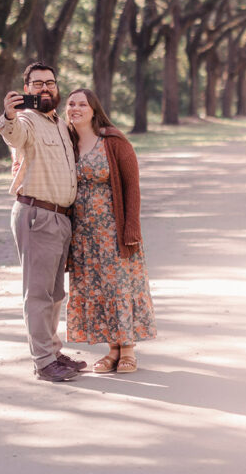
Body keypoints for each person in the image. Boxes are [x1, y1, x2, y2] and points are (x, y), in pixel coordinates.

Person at [0, 62, 87, 382]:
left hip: (61, 219)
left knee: (55, 293)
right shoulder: (27, 120)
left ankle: (52, 350)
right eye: (37, 84)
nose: (45, 88)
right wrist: (8, 116)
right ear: (27, 90)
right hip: (37, 215)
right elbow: (13, 134)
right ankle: (43, 361)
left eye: (50, 83)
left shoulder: (61, 125)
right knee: (38, 293)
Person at [65, 88, 156, 373]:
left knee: (119, 287)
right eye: (71, 104)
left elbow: (132, 187)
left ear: (94, 110)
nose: (75, 108)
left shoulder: (113, 141)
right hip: (83, 235)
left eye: (82, 104)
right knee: (97, 289)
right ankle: (111, 351)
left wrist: (131, 229)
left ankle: (128, 349)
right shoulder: (67, 143)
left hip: (113, 232)